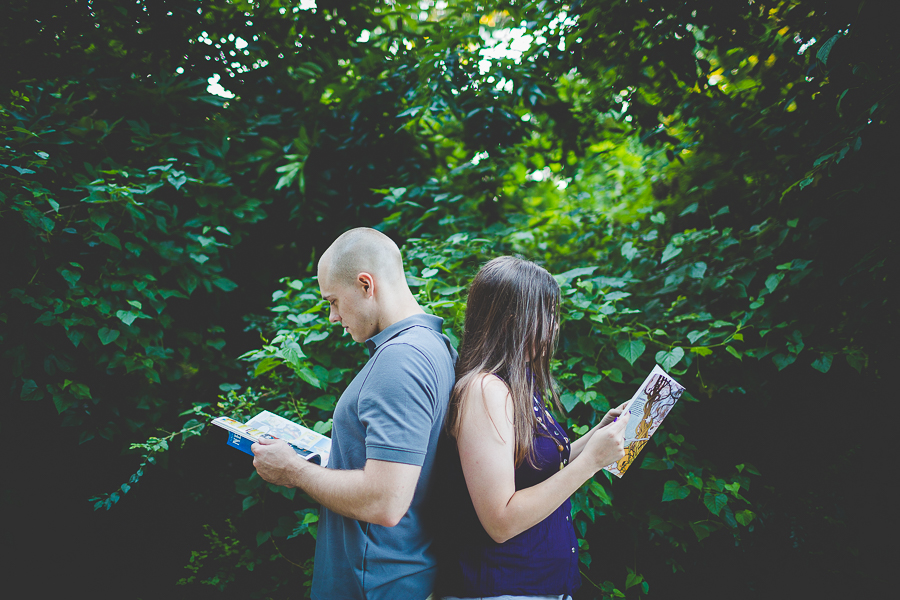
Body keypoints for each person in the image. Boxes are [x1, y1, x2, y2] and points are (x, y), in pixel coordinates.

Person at [252, 227, 458, 600]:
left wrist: (294, 470)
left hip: (376, 584)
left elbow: (386, 500)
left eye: (332, 300)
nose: (332, 316)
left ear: (366, 285)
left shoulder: (401, 360)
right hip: (401, 576)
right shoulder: (436, 345)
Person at [437, 256, 630, 600]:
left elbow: (538, 466)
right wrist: (591, 463)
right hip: (503, 590)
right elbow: (500, 521)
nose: (555, 326)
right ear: (515, 320)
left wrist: (595, 436)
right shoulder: (484, 391)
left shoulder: (518, 382)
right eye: (549, 314)